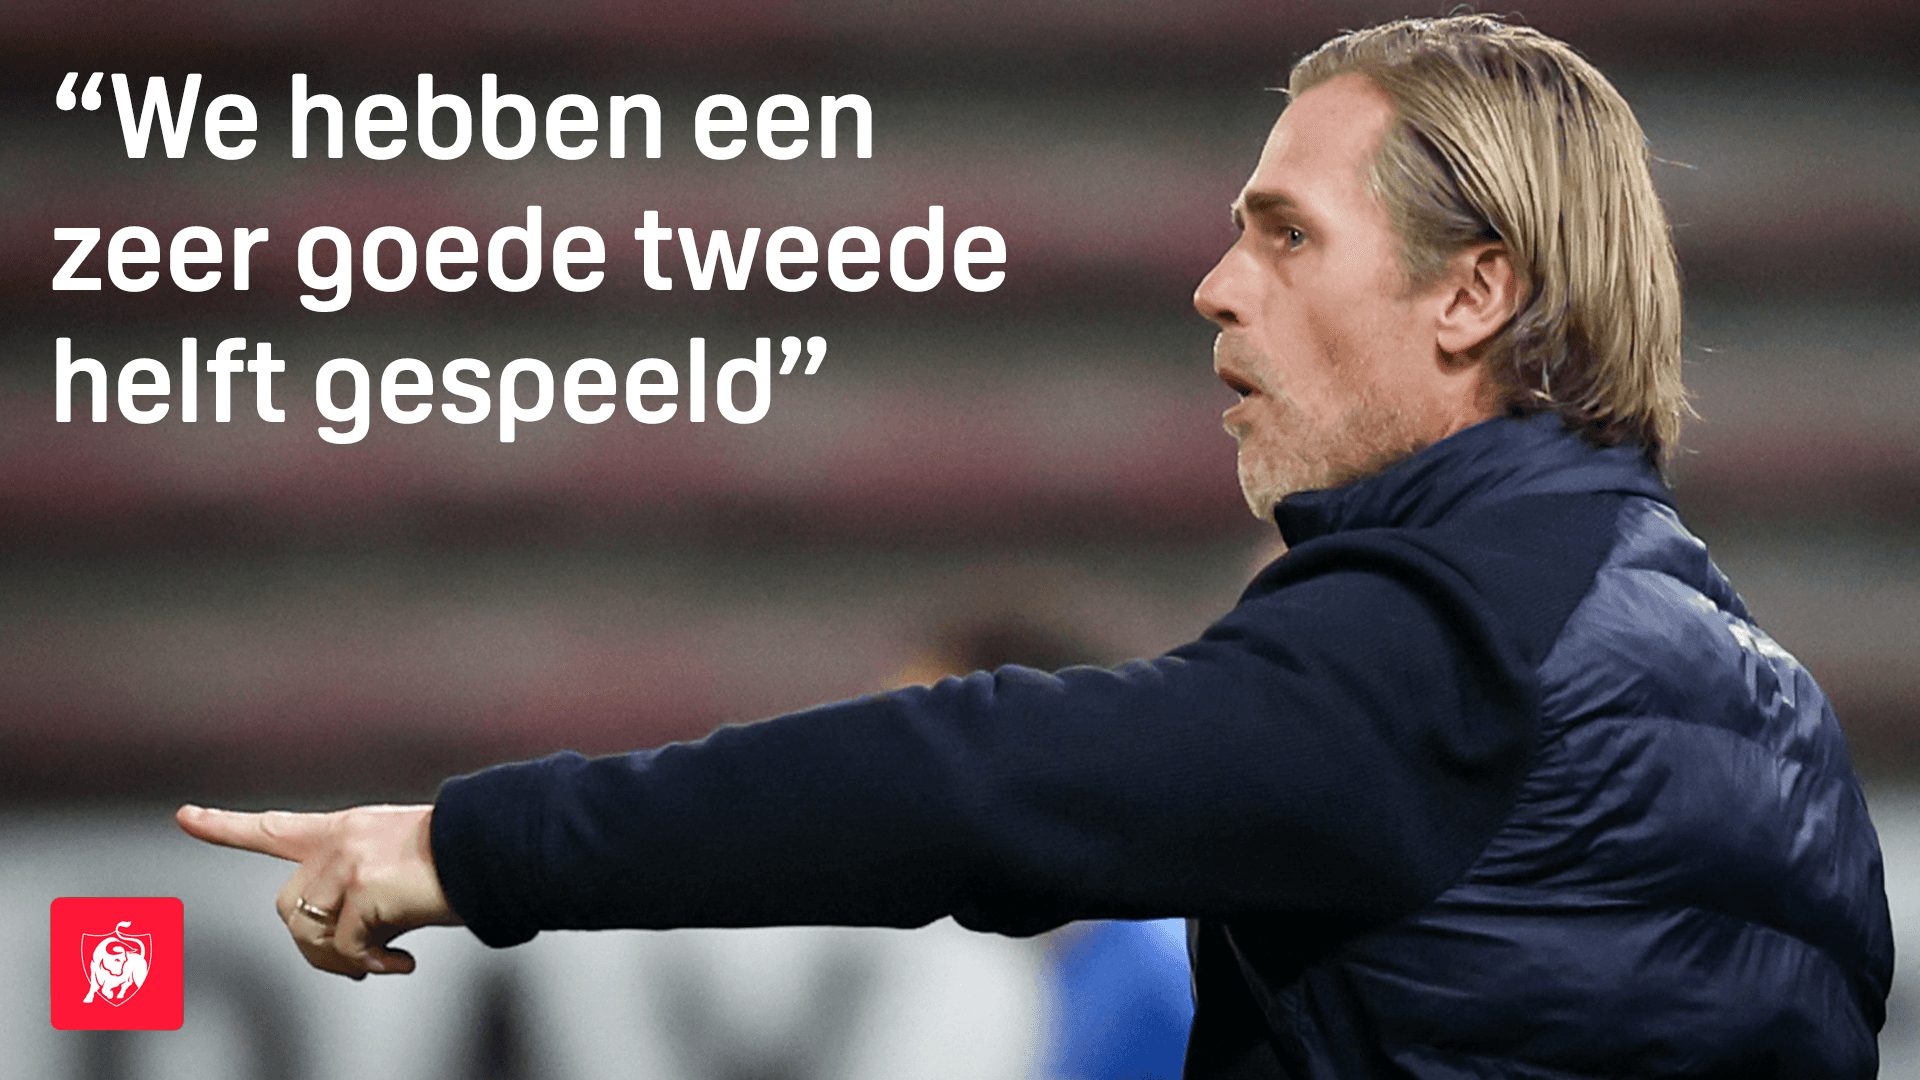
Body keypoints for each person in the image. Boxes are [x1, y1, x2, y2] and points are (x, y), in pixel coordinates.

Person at [179, 15, 1894, 1077]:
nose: (1215, 286)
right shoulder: (1762, 700)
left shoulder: (1448, 640)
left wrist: (472, 848)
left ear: (1474, 292)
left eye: (1287, 235)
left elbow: (974, 781)